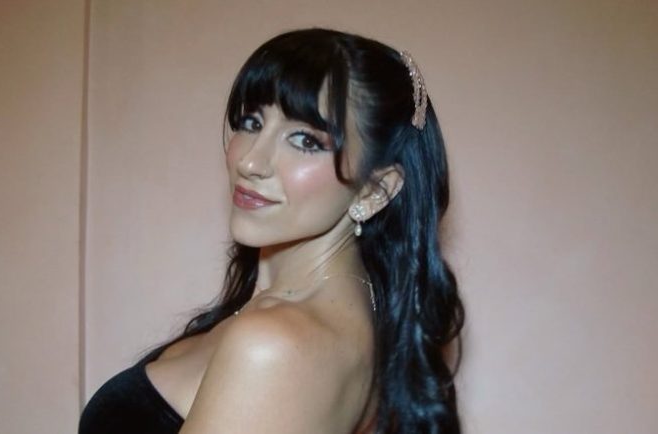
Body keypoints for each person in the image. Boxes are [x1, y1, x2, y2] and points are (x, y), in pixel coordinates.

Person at [79, 27, 465, 434]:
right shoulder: (329, 320)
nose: (250, 161)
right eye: (251, 121)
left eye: (305, 141)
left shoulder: (277, 345)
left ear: (375, 190)